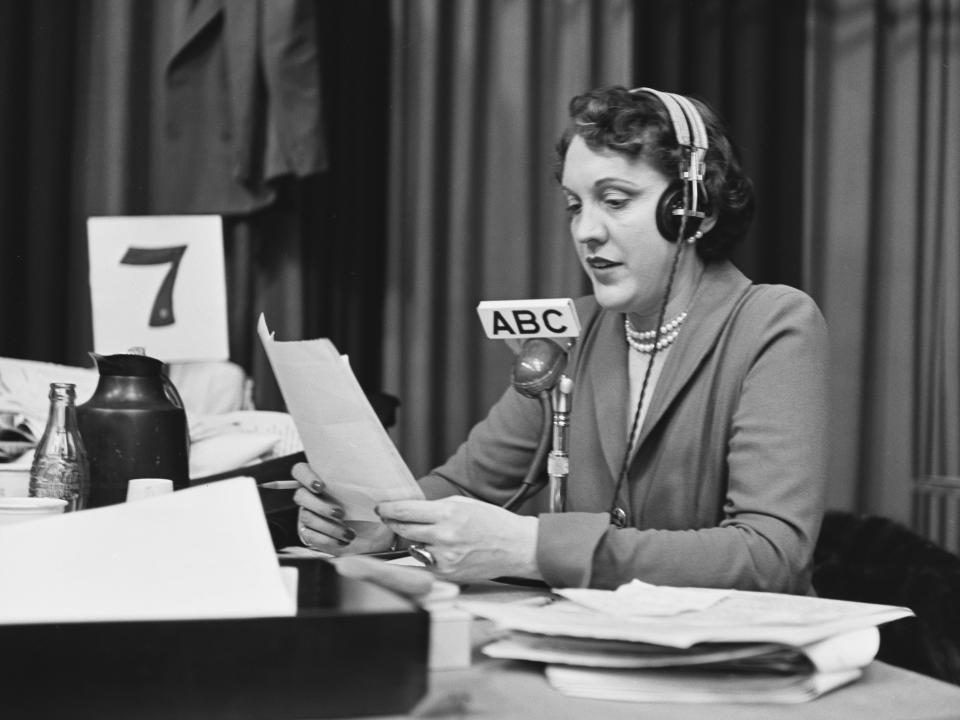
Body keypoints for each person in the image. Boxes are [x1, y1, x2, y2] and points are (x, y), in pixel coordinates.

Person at [293, 85, 829, 594]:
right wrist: (383, 526)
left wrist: (533, 548)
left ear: (695, 209)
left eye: (615, 200)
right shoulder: (571, 327)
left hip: (734, 665)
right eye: (576, 205)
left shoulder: (773, 322)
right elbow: (467, 487)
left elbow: (772, 556)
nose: (585, 230)